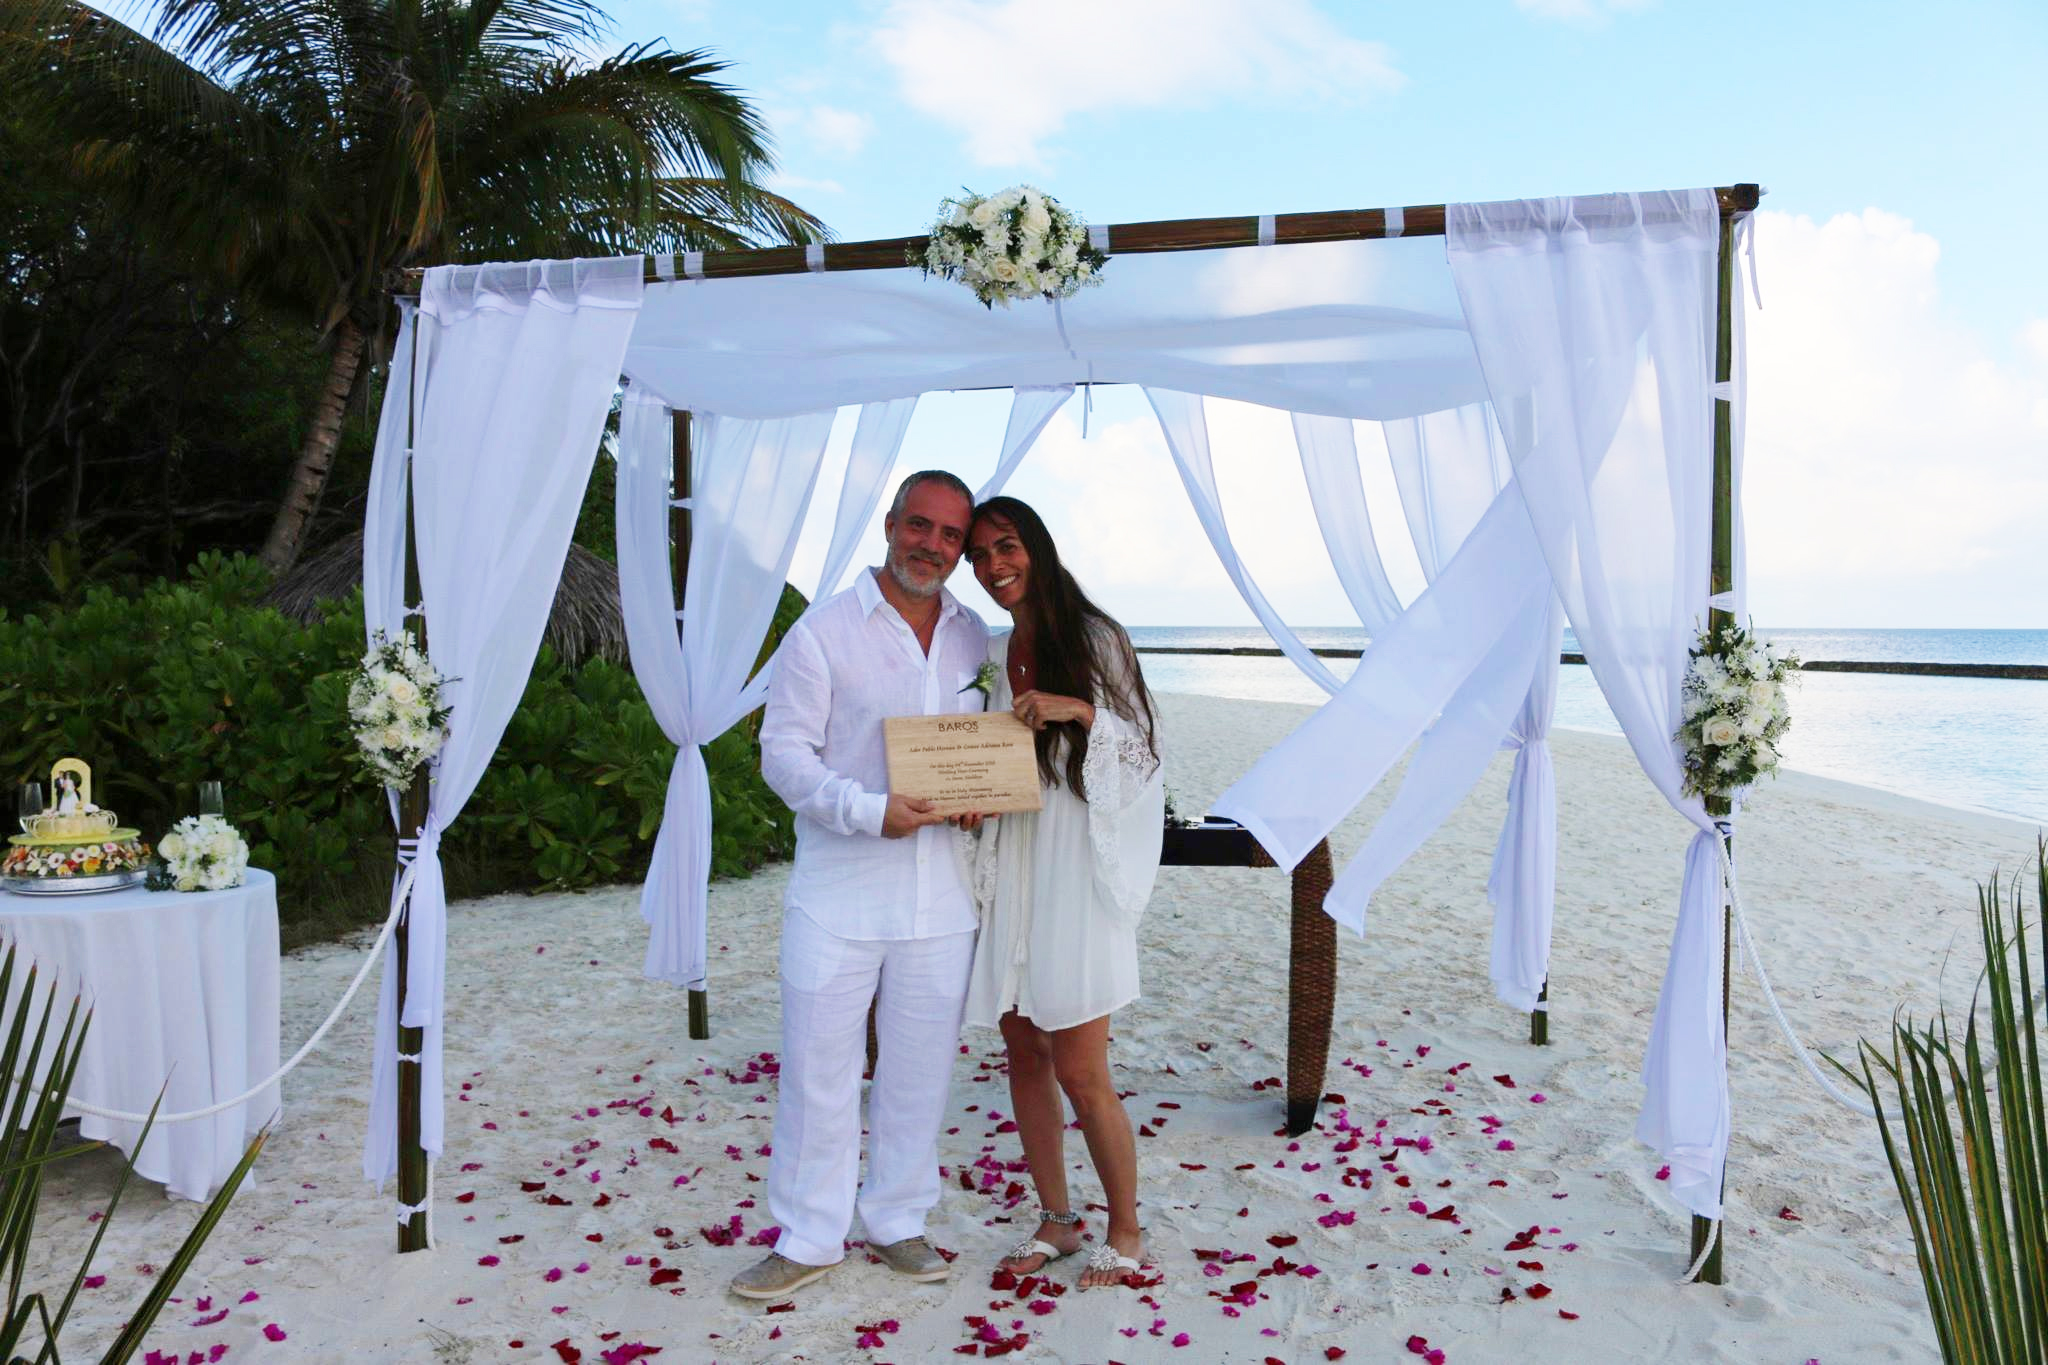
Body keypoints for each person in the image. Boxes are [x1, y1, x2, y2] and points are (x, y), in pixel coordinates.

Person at [731, 470, 989, 1301]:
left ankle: (897, 1219)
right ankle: (808, 1235)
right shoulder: (823, 631)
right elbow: (782, 755)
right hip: (839, 893)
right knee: (818, 1069)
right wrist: (869, 810)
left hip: (941, 898)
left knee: (920, 1071)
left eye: (950, 535)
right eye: (920, 525)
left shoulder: (974, 637)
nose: (932, 545)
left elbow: (985, 746)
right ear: (890, 523)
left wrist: (984, 794)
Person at [959, 495, 1165, 1289]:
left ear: (1036, 548)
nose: (993, 566)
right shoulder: (994, 650)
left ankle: (1126, 1230)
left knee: (1081, 1066)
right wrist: (969, 796)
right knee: (1024, 1050)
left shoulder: (1096, 637)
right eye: (979, 556)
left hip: (1075, 865)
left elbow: (1144, 757)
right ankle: (1056, 1218)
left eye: (1005, 546)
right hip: (1014, 856)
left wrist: (1078, 708)